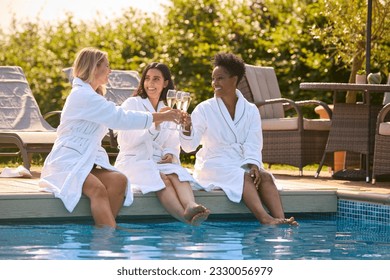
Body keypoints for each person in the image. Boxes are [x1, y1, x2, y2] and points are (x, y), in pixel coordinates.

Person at [39, 48, 181, 229]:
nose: (110, 70)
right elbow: (120, 118)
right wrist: (160, 117)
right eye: (107, 66)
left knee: (118, 180)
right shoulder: (83, 96)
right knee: (97, 189)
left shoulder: (93, 95)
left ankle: (105, 227)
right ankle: (108, 232)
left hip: (86, 159)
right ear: (94, 68)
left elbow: (118, 116)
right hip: (68, 160)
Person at [180, 52, 298, 226]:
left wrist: (253, 164)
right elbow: (189, 147)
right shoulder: (204, 109)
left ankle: (282, 219)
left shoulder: (250, 110)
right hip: (214, 163)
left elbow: (253, 141)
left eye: (220, 78)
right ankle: (265, 219)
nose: (215, 83)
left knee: (264, 177)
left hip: (240, 160)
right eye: (213, 79)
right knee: (243, 177)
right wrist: (187, 127)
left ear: (234, 80)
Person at [114, 62, 210, 226]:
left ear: (165, 83)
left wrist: (171, 153)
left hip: (157, 161)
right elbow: (125, 141)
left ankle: (191, 205)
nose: (150, 84)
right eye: (147, 79)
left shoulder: (167, 107)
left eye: (156, 79)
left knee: (176, 173)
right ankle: (185, 217)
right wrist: (156, 120)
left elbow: (172, 141)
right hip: (134, 161)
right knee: (161, 179)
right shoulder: (132, 104)